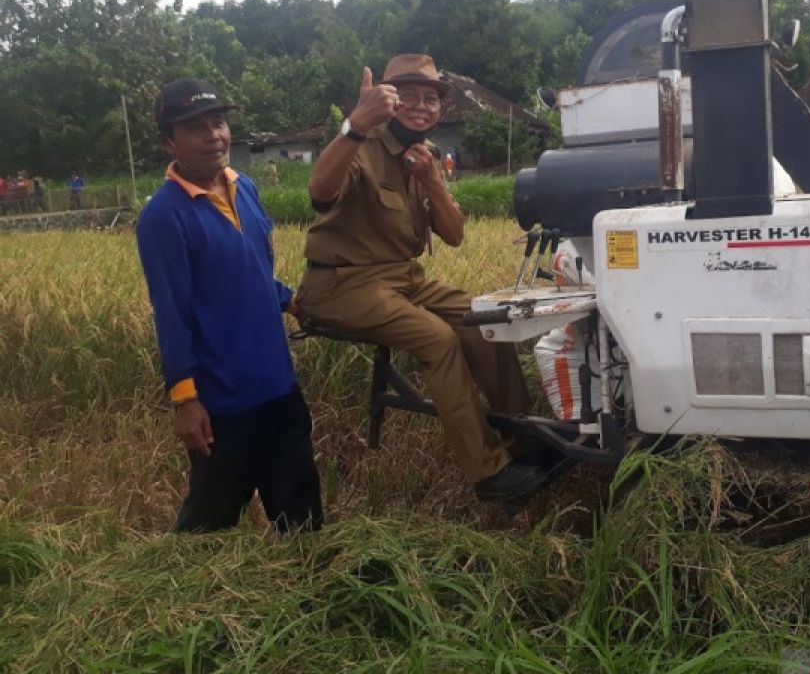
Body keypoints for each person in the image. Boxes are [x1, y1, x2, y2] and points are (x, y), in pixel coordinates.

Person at [297, 54, 545, 504]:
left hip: (403, 279)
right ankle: (489, 472)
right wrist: (353, 125)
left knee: (487, 320)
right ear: (385, 100)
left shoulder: (426, 156)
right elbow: (320, 192)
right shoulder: (361, 144)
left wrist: (432, 180)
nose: (420, 106)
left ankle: (526, 440)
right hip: (340, 285)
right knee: (437, 339)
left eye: (429, 98)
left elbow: (452, 235)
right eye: (406, 96)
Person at [136, 78, 322, 533]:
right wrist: (185, 400)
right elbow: (171, 312)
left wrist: (292, 301)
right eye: (195, 127)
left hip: (278, 385)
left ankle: (309, 590)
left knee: (301, 518)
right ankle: (189, 601)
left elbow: (254, 271)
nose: (213, 135)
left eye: (218, 122)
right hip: (222, 403)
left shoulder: (246, 188)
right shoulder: (164, 216)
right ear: (168, 142)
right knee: (209, 527)